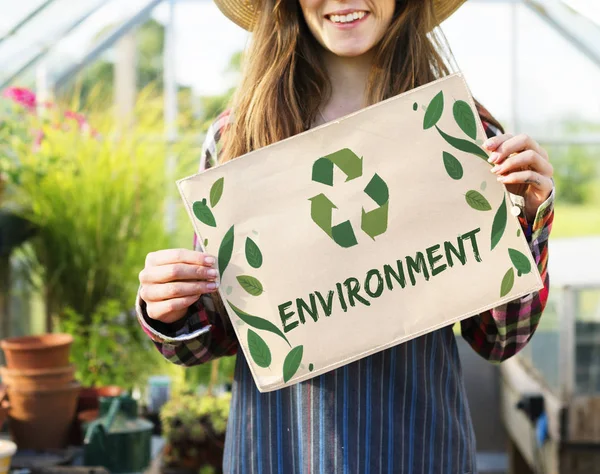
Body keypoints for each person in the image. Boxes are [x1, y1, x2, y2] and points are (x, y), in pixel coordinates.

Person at [136, 1, 555, 472]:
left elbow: (498, 339)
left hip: (418, 450)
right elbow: (215, 335)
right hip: (282, 451)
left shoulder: (462, 132)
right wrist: (170, 307)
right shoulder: (238, 139)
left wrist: (528, 220)